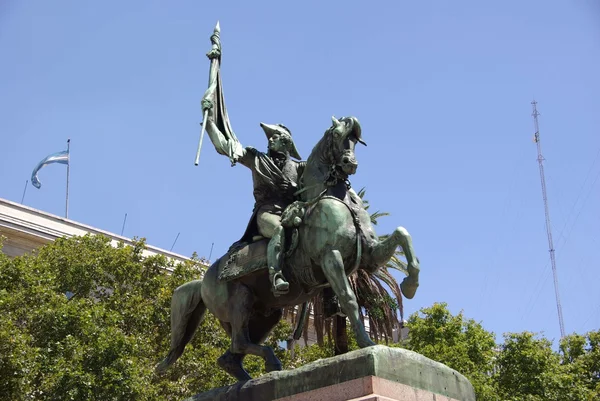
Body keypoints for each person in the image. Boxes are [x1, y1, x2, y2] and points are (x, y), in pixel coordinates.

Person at [205, 111, 305, 296]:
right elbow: (226, 146)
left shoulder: (299, 168)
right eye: (270, 137)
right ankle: (276, 276)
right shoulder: (257, 159)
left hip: (291, 213)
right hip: (267, 213)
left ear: (286, 142)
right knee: (278, 229)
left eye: (275, 136)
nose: (270, 140)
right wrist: (210, 122)